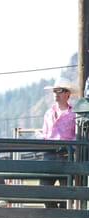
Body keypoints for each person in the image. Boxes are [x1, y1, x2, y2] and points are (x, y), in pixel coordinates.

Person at [38, 77, 77, 209]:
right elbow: (45, 133)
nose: (56, 94)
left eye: (59, 91)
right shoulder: (49, 113)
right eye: (55, 91)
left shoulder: (74, 114)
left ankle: (60, 214)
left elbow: (76, 136)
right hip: (49, 153)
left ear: (67, 94)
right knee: (44, 189)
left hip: (66, 154)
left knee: (66, 190)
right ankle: (54, 212)